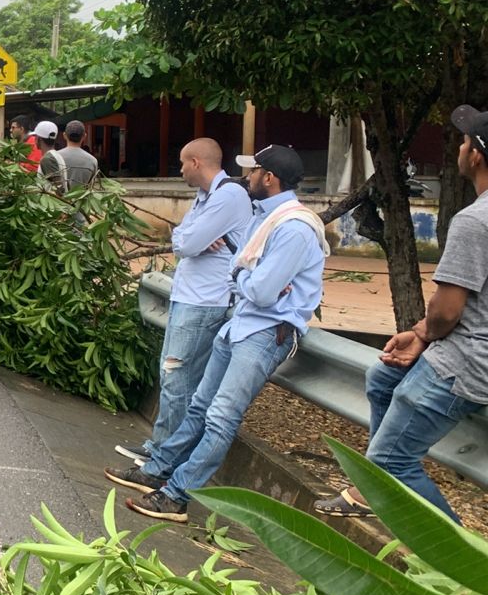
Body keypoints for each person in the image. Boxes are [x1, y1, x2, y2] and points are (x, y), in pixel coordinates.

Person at [108, 145, 328, 522]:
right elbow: (242, 274)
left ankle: (176, 496)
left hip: (264, 333)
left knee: (221, 417)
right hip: (241, 323)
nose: (249, 177)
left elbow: (254, 285)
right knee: (199, 407)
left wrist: (246, 276)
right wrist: (248, 276)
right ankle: (157, 470)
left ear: (269, 178)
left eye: (255, 171)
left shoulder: (294, 228)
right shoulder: (266, 217)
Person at [314, 107, 488, 522]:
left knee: (392, 458)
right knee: (383, 376)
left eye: (465, 141)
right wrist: (421, 334)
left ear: (477, 156)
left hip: (466, 363)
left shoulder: (474, 221)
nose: (460, 147)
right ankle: (371, 490)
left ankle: (461, 567)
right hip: (470, 355)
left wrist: (426, 333)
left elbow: (447, 311)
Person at [112, 139, 252, 467]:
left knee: (179, 378)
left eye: (182, 163)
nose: (181, 169)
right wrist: (192, 239)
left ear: (196, 162)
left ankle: (165, 454)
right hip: (188, 296)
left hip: (205, 301)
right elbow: (180, 238)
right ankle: (162, 448)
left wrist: (192, 240)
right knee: (174, 375)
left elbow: (187, 244)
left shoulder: (229, 196)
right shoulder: (207, 197)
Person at [41, 120, 102, 194]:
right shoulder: (93, 161)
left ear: (64, 135)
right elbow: (90, 186)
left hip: (57, 202)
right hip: (81, 203)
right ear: (84, 136)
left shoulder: (52, 158)